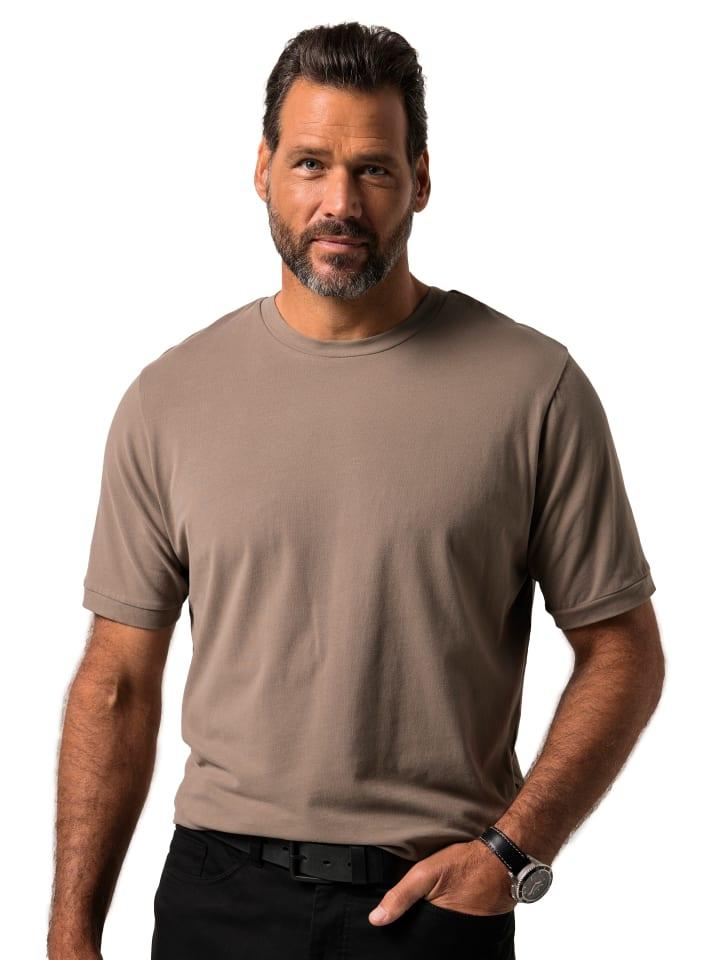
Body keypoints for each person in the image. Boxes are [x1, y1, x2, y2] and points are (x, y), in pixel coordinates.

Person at [47, 21, 665, 960]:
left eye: (373, 169)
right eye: (309, 164)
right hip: (220, 896)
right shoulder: (168, 399)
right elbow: (118, 683)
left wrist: (510, 853)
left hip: (434, 903)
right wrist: (70, 933)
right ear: (263, 170)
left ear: (421, 178)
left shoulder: (534, 389)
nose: (339, 203)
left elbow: (623, 652)